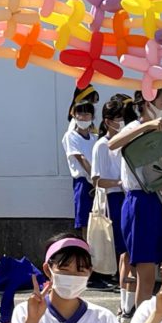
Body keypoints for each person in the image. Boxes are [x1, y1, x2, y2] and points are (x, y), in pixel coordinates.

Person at [109, 90, 162, 308]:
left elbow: (155, 168)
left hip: (155, 198)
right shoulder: (134, 127)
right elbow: (112, 144)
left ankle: (157, 312)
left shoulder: (161, 130)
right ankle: (140, 317)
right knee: (146, 269)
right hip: (139, 201)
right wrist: (146, 126)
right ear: (148, 104)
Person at [92, 95, 134, 319]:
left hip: (127, 197)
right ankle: (125, 302)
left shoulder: (126, 142)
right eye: (118, 119)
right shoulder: (101, 145)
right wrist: (120, 182)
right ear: (108, 121)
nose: (122, 123)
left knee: (129, 252)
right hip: (114, 200)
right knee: (125, 251)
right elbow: (97, 180)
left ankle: (128, 300)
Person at [63, 99, 97, 234]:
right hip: (83, 182)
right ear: (74, 115)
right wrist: (95, 179)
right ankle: (86, 246)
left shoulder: (95, 138)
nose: (83, 117)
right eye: (80, 114)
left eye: (87, 114)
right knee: (85, 221)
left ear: (92, 116)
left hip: (98, 182)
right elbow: (81, 158)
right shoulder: (70, 136)